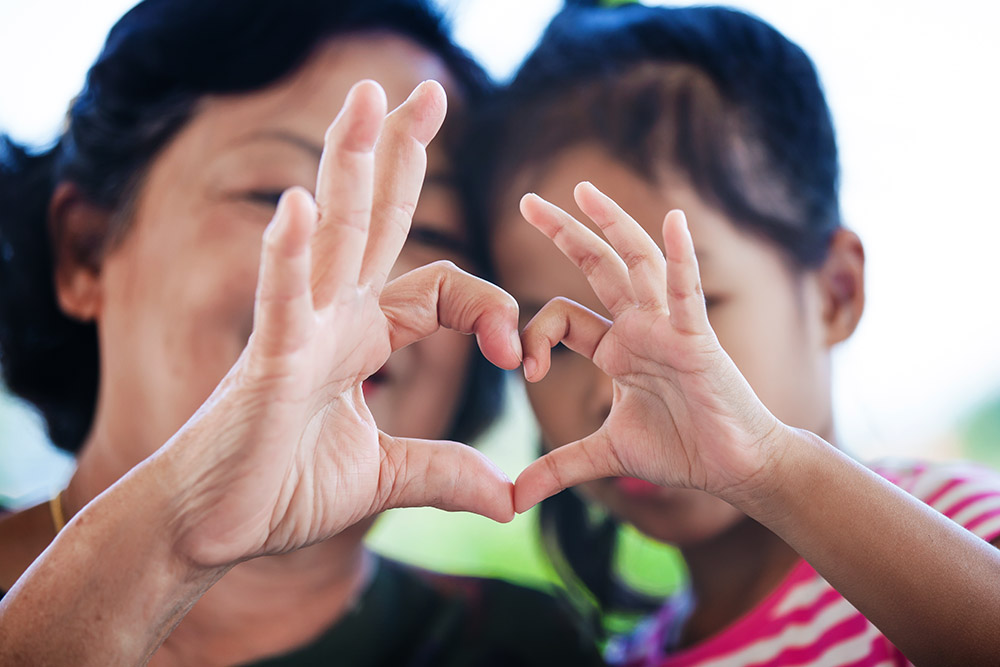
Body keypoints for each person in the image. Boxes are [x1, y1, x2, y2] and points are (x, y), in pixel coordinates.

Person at [0, 0, 602, 664]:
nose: (361, 281)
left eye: (429, 234)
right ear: (84, 252)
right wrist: (168, 541)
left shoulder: (526, 646)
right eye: (284, 196)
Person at [478, 4, 1000, 665]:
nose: (619, 386)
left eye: (686, 306)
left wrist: (776, 469)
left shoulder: (965, 536)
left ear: (836, 293)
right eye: (556, 336)